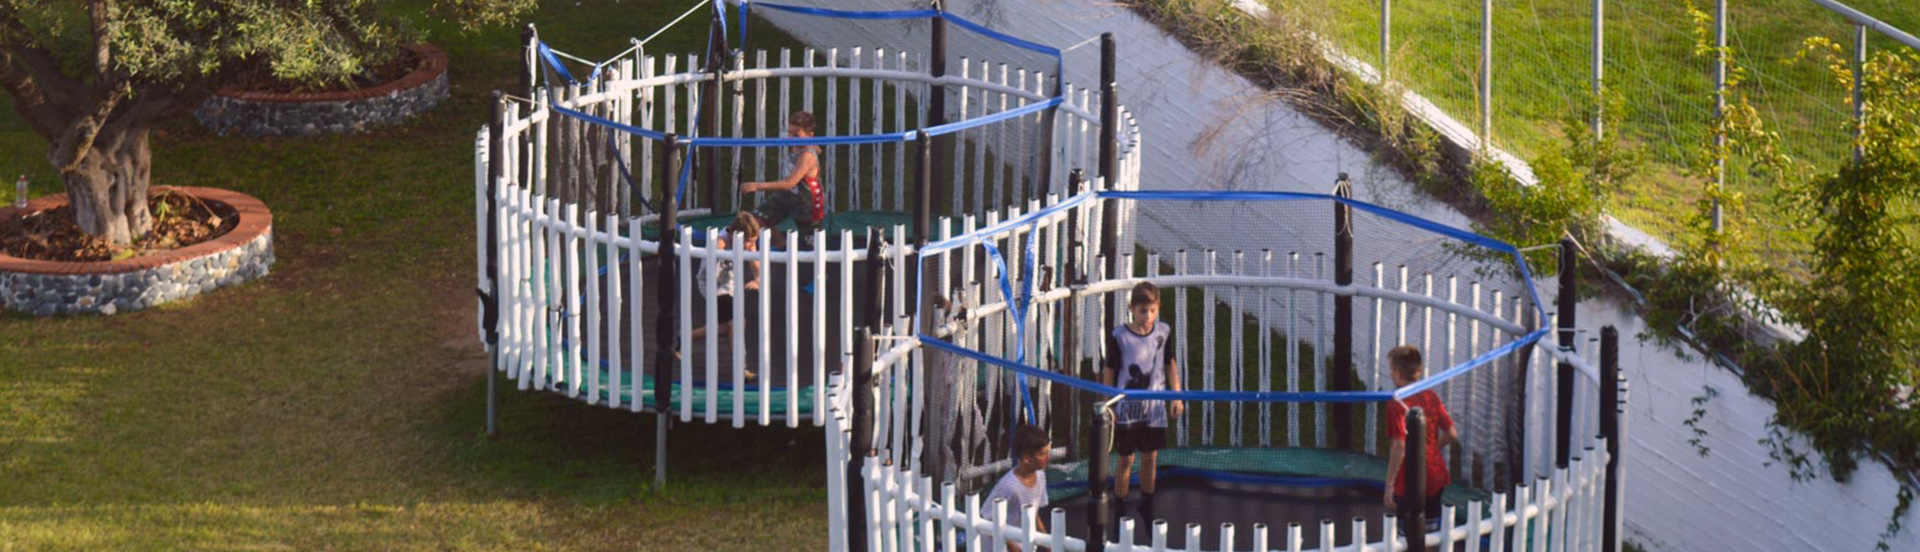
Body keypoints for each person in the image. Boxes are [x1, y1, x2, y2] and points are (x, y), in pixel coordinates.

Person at [1100, 281, 1184, 523]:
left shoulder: (1163, 332)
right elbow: (1110, 370)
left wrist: (1176, 394)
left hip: (1154, 410)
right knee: (1126, 459)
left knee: (1150, 458)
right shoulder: (1119, 336)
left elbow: (1170, 363)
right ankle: (1120, 506)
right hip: (1126, 410)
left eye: (1152, 311)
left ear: (1158, 308)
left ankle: (1148, 503)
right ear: (1131, 309)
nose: (1147, 316)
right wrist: (1108, 405)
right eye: (1142, 311)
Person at [1383, 344, 1458, 552]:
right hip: (1435, 475)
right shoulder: (1431, 396)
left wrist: (1389, 485)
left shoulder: (1396, 402)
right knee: (1430, 534)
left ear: (1397, 374)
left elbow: (1399, 446)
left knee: (1405, 539)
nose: (1390, 374)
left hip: (1408, 481)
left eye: (1391, 370)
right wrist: (1430, 448)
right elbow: (1451, 433)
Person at [688, 212, 763, 378]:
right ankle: (741, 369)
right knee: (737, 322)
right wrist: (718, 250)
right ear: (735, 235)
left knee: (727, 327)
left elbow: (755, 264)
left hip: (729, 285)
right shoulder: (721, 241)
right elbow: (710, 266)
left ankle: (685, 338)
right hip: (712, 284)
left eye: (754, 241)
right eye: (749, 242)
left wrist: (757, 279)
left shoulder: (749, 242)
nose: (752, 245)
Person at [741, 111, 824, 242]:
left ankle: (804, 250)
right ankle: (782, 245)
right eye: (789, 133)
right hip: (788, 196)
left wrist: (756, 186)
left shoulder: (807, 156)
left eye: (796, 135)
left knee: (811, 245)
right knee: (759, 218)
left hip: (807, 201)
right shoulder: (798, 145)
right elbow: (818, 148)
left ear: (809, 136)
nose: (791, 138)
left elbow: (789, 183)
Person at [985, 424, 1052, 552]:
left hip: (1024, 542)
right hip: (999, 545)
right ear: (1026, 458)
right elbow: (988, 519)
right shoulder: (1008, 486)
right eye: (1043, 454)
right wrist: (1012, 547)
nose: (1047, 458)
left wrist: (1048, 544)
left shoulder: (1041, 476)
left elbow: (1035, 514)